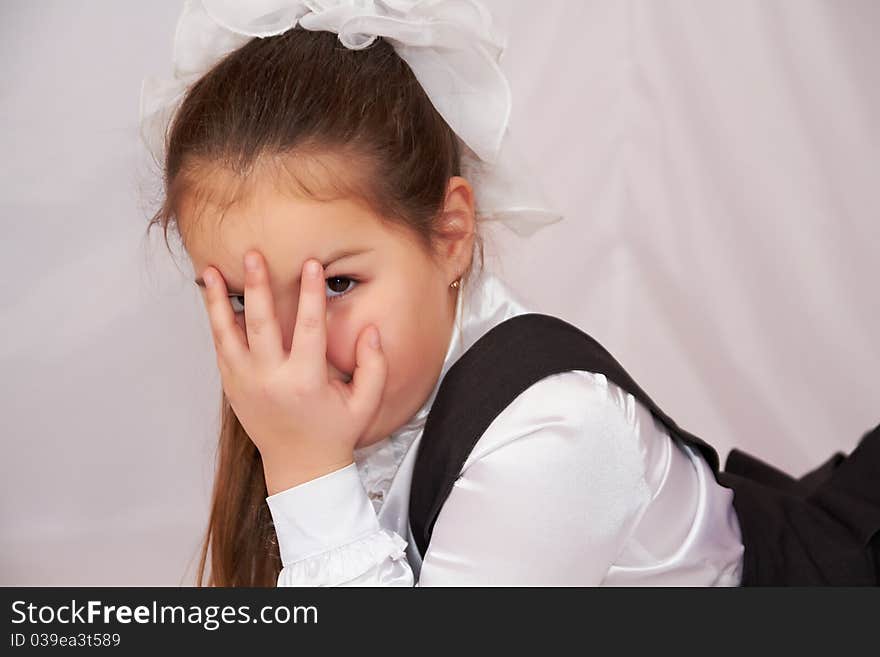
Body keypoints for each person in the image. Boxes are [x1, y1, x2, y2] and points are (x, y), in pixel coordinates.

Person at [139, 1, 878, 587]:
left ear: (451, 233)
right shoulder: (343, 405)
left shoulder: (558, 432)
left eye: (338, 283)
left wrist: (307, 472)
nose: (294, 345)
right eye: (241, 299)